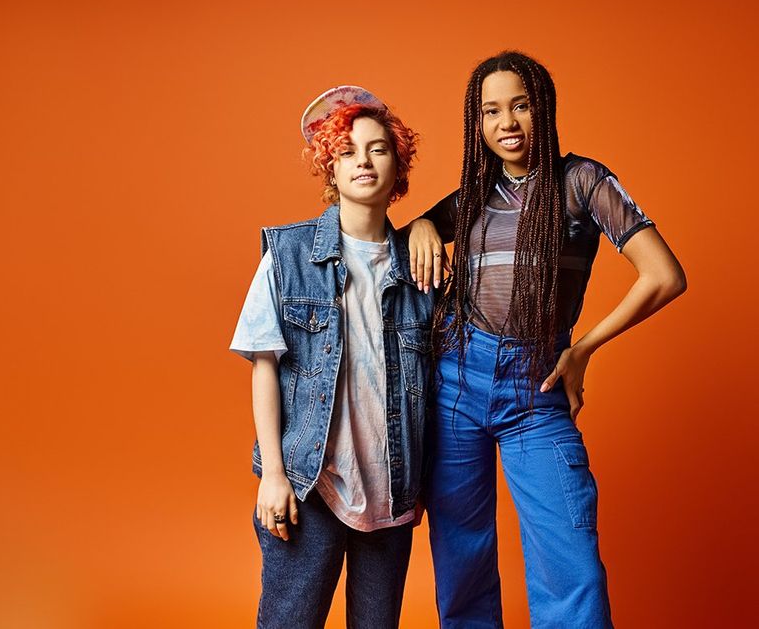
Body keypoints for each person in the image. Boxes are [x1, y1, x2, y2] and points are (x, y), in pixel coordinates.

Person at [406, 52, 687, 628]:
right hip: (455, 382)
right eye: (491, 111)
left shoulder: (582, 181)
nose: (506, 122)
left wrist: (582, 349)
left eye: (521, 105)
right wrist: (423, 225)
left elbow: (664, 275)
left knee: (570, 559)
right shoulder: (475, 193)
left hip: (536, 387)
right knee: (462, 560)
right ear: (476, 124)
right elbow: (418, 227)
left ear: (544, 109)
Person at [229, 86, 433, 629]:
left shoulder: (422, 269)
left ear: (399, 166)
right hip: (309, 485)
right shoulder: (289, 254)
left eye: (378, 148)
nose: (363, 161)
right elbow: (264, 365)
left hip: (391, 491)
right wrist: (273, 474)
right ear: (330, 168)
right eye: (347, 151)